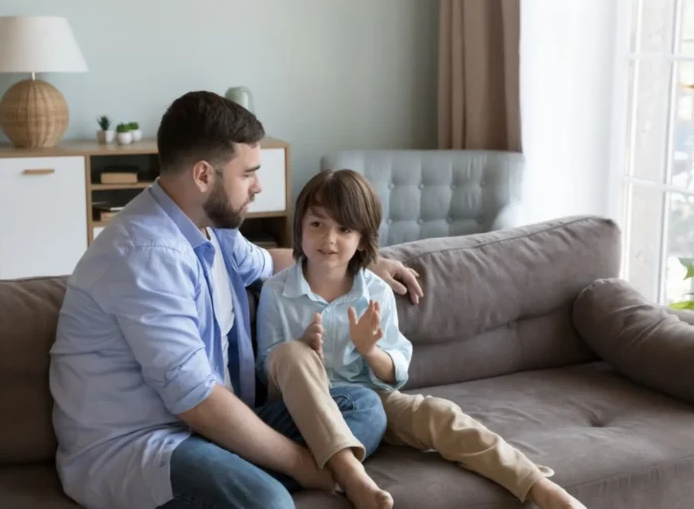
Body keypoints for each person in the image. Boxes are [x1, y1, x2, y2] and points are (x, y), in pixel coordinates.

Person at [48, 91, 423, 509]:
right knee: (270, 503)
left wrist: (367, 265)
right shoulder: (146, 256)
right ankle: (264, 478)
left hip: (211, 426)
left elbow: (273, 263)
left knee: (364, 407)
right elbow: (196, 400)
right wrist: (305, 465)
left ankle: (243, 473)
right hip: (141, 446)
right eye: (248, 174)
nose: (259, 186)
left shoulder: (212, 227)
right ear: (204, 175)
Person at [256, 169, 588, 509]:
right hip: (303, 406)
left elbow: (396, 373)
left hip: (372, 398)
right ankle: (352, 477)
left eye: (344, 229)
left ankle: (538, 487)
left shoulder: (376, 291)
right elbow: (267, 372)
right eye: (317, 224)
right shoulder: (276, 292)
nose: (329, 238)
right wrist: (304, 347)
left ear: (362, 239)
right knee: (291, 353)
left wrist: (370, 350)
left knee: (440, 414)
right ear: (300, 227)